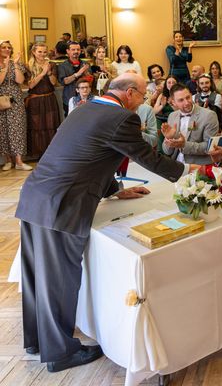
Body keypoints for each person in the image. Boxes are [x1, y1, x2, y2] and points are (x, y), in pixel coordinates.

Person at [15, 73, 196, 372]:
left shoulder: (85, 107)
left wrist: (115, 189)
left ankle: (37, 341)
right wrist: (190, 171)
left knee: (37, 278)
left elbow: (84, 156)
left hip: (37, 196)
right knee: (58, 281)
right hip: (62, 206)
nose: (145, 101)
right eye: (142, 95)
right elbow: (148, 158)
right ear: (128, 93)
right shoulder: (122, 118)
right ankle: (60, 353)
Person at [161, 83, 219, 165]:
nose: (187, 102)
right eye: (181, 100)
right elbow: (167, 152)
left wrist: (184, 145)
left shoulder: (209, 115)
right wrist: (169, 138)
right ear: (173, 102)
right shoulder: (172, 116)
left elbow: (210, 147)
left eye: (188, 97)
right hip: (176, 163)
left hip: (198, 165)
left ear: (191, 95)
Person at [25, 42, 60, 158]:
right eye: (39, 51)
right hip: (35, 101)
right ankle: (39, 155)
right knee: (37, 127)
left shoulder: (52, 65)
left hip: (49, 99)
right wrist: (42, 73)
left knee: (51, 125)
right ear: (34, 52)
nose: (42, 54)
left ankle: (51, 153)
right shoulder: (28, 66)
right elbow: (30, 85)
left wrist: (49, 71)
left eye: (45, 52)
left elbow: (54, 82)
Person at [0, 41, 30, 171]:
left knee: (17, 128)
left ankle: (19, 161)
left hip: (15, 99)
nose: (7, 49)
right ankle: (7, 160)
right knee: (3, 129)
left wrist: (15, 64)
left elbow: (20, 80)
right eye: (4, 47)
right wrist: (5, 67)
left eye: (9, 47)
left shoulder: (15, 63)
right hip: (1, 99)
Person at [58, 42, 89, 117]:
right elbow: (64, 81)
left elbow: (89, 80)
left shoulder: (85, 64)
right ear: (68, 51)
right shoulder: (63, 65)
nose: (76, 51)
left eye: (78, 49)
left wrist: (87, 74)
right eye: (73, 49)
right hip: (69, 98)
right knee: (70, 119)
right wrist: (77, 74)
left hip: (86, 98)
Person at [153, 75, 177, 147]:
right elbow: (154, 111)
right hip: (162, 118)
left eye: (173, 82)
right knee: (158, 124)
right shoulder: (162, 95)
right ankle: (160, 151)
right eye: (169, 82)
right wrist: (162, 105)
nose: (171, 84)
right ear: (166, 84)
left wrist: (171, 104)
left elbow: (181, 111)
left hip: (174, 118)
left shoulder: (179, 94)